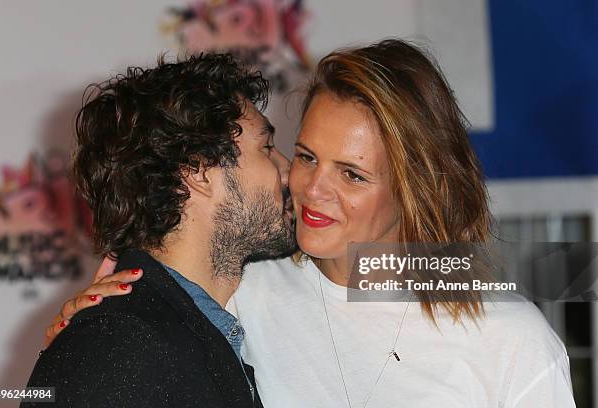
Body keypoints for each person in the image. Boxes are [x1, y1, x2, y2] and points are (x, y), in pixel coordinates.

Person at [45, 39, 576, 407]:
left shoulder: (509, 339)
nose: (311, 188)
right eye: (304, 155)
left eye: (352, 173)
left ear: (416, 187)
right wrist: (97, 325)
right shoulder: (244, 290)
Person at [22, 53, 297, 407]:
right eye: (267, 148)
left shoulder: (173, 331)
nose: (288, 169)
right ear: (198, 171)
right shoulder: (118, 343)